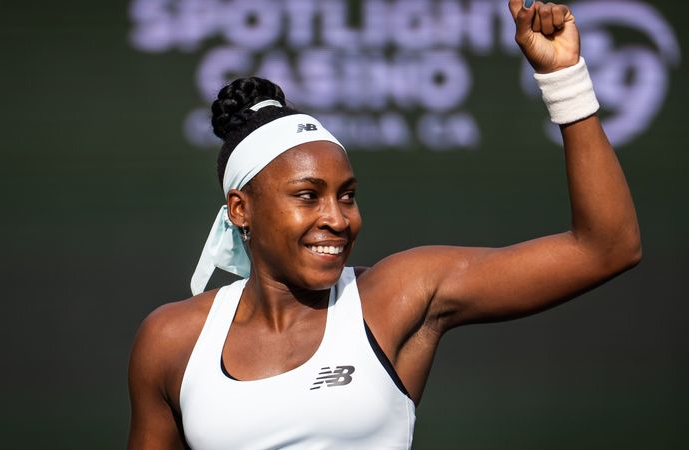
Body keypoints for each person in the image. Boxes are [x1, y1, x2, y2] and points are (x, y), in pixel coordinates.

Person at [127, 1, 642, 448]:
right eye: (308, 196)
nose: (337, 218)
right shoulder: (172, 340)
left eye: (346, 195)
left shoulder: (398, 294)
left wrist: (565, 79)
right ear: (241, 210)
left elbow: (606, 247)